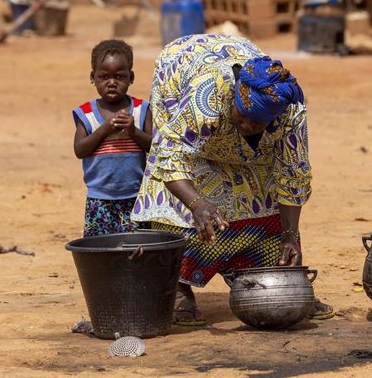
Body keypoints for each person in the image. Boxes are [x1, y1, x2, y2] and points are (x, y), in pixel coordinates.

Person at [131, 34, 333, 325]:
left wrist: (290, 236)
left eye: (258, 123)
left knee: (262, 194)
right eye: (243, 117)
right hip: (181, 73)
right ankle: (176, 288)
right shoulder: (209, 96)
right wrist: (198, 204)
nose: (249, 125)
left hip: (241, 139)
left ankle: (282, 285)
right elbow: (170, 156)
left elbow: (293, 174)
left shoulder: (290, 111)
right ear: (234, 100)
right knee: (185, 193)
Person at [73, 39, 152, 237]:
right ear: (93, 78)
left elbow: (155, 146)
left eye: (119, 77)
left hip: (135, 198)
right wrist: (103, 130)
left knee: (137, 247)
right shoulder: (87, 114)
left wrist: (133, 131)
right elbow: (80, 150)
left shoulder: (141, 110)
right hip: (99, 199)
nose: (111, 83)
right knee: (101, 249)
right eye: (104, 77)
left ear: (131, 77)